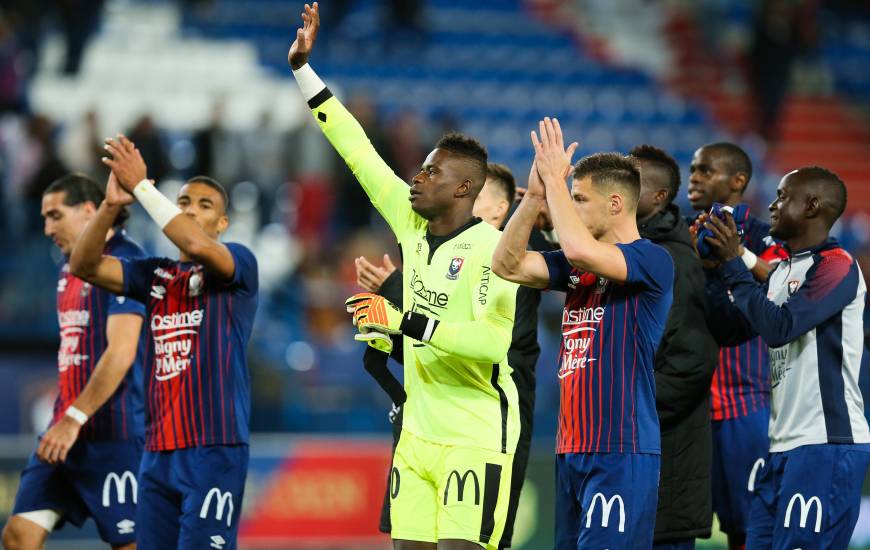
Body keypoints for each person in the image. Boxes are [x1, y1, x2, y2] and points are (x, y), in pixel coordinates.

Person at [289, 5, 521, 548]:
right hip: (415, 433)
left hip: (474, 433)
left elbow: (491, 343)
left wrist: (405, 321)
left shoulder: (495, 250)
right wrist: (304, 71)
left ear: (464, 189)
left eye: (432, 171)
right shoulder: (410, 221)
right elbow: (356, 150)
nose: (416, 177)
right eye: (419, 167)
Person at [69, 137, 258, 550]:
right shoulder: (154, 275)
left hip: (214, 448)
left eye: (204, 205)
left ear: (223, 224)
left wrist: (142, 187)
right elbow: (82, 264)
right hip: (157, 452)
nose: (190, 209)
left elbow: (194, 243)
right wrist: (110, 207)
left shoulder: (239, 263)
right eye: (184, 201)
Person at [493, 118, 674, 549]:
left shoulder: (652, 259)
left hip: (621, 448)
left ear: (615, 204)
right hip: (571, 446)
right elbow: (506, 264)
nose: (567, 209)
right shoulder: (578, 267)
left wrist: (556, 180)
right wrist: (536, 193)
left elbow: (577, 248)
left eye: (578, 199)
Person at [355, 163, 544, 549]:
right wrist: (387, 332)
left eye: (475, 196)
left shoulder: (510, 265)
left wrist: (399, 300)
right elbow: (425, 345)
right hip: (420, 426)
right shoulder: (433, 254)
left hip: (483, 426)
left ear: (498, 210)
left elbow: (491, 350)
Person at [702, 166, 869, 549]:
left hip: (825, 444)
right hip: (780, 448)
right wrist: (716, 265)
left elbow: (780, 327)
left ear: (812, 205)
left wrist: (732, 263)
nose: (773, 205)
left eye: (782, 196)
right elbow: (734, 327)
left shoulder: (836, 264)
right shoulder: (782, 271)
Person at [3, 174, 145, 550]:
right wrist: (65, 419)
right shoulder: (67, 270)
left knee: (131, 545)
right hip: (63, 434)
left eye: (55, 215)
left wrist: (75, 417)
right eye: (44, 218)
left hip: (113, 434)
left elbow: (122, 350)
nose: (47, 228)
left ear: (88, 211)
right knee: (18, 536)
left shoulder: (125, 260)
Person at [687, 142, 786, 550]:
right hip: (687, 406)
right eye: (693, 169)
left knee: (748, 529)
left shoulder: (765, 238)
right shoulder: (680, 236)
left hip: (745, 405)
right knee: (675, 524)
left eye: (705, 170)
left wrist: (736, 256)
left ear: (737, 181)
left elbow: (784, 288)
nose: (693, 177)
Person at [631, 145, 718, 549]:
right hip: (627, 455)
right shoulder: (621, 254)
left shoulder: (674, 261)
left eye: (631, 183)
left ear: (658, 197)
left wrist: (625, 407)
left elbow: (691, 364)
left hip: (663, 459)